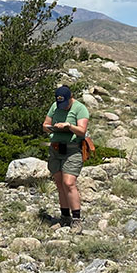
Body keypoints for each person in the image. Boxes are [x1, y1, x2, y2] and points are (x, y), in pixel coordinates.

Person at [43, 86, 90, 227]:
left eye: (65, 104)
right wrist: (51, 128)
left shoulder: (80, 108)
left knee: (69, 183)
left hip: (72, 149)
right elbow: (45, 124)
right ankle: (65, 216)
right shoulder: (54, 106)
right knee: (59, 183)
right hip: (56, 148)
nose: (62, 107)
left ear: (71, 97)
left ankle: (76, 219)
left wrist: (69, 126)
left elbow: (82, 131)